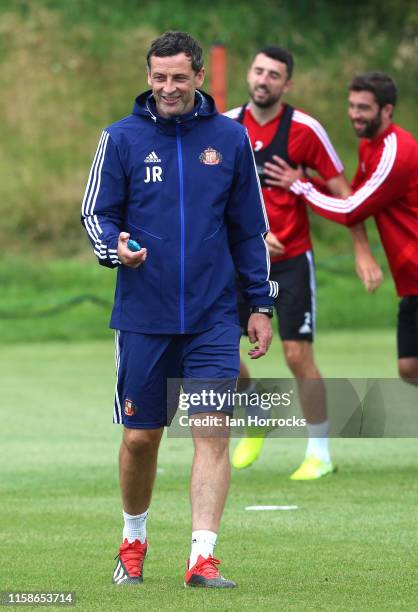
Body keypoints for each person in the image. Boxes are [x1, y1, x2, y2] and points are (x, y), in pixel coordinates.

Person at [81, 31, 276, 589]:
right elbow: (98, 213)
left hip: (215, 317)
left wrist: (259, 304)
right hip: (143, 314)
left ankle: (203, 557)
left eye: (179, 77)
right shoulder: (119, 139)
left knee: (211, 431)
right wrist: (112, 248)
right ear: (148, 77)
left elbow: (248, 231)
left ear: (198, 77)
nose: (168, 87)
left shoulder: (231, 139)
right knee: (142, 438)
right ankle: (134, 539)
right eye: (159, 77)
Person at [226, 46, 382, 479]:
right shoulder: (225, 127)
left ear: (286, 84)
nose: (263, 80)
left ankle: (319, 453)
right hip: (239, 262)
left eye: (273, 75)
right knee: (220, 352)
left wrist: (361, 249)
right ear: (248, 74)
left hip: (292, 261)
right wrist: (250, 236)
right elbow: (209, 198)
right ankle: (257, 413)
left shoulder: (306, 130)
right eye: (257, 71)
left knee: (297, 355)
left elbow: (345, 192)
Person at [272, 71, 418, 383]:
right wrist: (308, 182)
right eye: (352, 106)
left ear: (386, 111)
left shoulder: (397, 152)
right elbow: (355, 198)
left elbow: (351, 210)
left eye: (363, 108)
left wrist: (302, 187)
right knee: (409, 368)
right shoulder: (370, 147)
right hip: (412, 282)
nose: (354, 114)